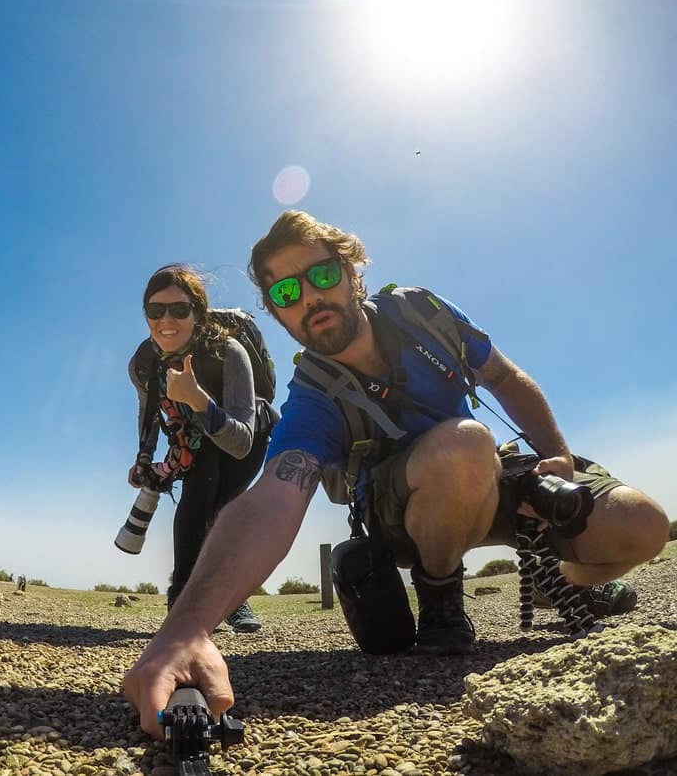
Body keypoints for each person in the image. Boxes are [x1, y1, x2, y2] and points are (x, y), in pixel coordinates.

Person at [123, 211, 669, 737]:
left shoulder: (423, 314)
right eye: (287, 292)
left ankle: (561, 583)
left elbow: (504, 377)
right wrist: (187, 628)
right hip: (402, 519)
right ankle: (439, 599)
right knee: (464, 442)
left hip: (491, 479)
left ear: (352, 271)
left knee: (643, 525)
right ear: (279, 314)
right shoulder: (311, 398)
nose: (310, 296)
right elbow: (273, 499)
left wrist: (559, 458)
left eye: (321, 274)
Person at [128, 264, 278, 633]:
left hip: (248, 437)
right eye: (155, 310)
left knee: (220, 511)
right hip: (195, 442)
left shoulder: (228, 351)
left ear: (198, 312)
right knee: (201, 488)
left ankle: (225, 598)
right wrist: (143, 458)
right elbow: (147, 413)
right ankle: (184, 601)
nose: (167, 320)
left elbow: (242, 441)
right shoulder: (144, 365)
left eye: (180, 310)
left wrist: (197, 400)